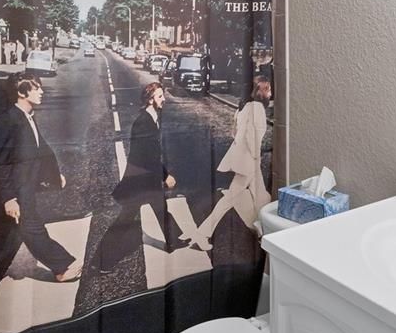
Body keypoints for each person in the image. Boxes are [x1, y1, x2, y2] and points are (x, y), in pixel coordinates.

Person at [0, 72, 81, 295]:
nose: (42, 91)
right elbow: (0, 166)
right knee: (32, 228)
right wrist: (9, 198)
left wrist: (54, 175)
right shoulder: (7, 123)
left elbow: (41, 149)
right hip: (14, 190)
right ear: (22, 93)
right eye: (36, 88)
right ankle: (61, 266)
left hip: (23, 186)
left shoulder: (26, 117)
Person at [94, 82, 189, 273]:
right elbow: (147, 155)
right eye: (160, 96)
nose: (164, 99)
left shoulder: (153, 116)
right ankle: (101, 261)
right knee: (125, 220)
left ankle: (173, 240)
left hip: (147, 178)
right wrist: (165, 175)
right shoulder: (143, 122)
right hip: (139, 180)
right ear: (150, 99)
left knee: (161, 208)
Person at [198, 76, 272, 240]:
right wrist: (255, 157)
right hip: (249, 162)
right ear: (260, 92)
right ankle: (203, 232)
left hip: (244, 160)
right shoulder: (258, 108)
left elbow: (234, 133)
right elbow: (252, 138)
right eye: (268, 90)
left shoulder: (244, 107)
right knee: (232, 198)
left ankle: (263, 231)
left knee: (262, 197)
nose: (271, 93)